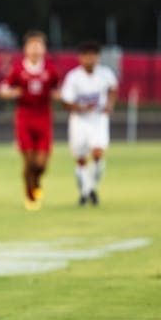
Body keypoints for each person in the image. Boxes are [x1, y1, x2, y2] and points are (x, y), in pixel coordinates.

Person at [0, 31, 61, 211]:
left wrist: (58, 95)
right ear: (26, 49)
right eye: (32, 45)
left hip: (44, 118)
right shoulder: (18, 69)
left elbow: (59, 89)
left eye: (39, 45)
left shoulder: (50, 69)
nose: (35, 49)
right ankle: (30, 193)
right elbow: (3, 89)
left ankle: (37, 181)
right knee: (29, 161)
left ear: (44, 49)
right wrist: (11, 93)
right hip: (24, 118)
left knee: (41, 164)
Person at [60, 40, 118, 206]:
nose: (90, 59)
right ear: (81, 58)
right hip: (79, 121)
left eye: (93, 55)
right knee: (81, 159)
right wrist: (81, 108)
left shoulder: (105, 74)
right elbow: (66, 102)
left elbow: (113, 88)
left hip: (98, 120)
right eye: (87, 55)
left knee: (98, 154)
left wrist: (109, 104)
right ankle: (87, 191)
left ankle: (88, 188)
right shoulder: (74, 77)